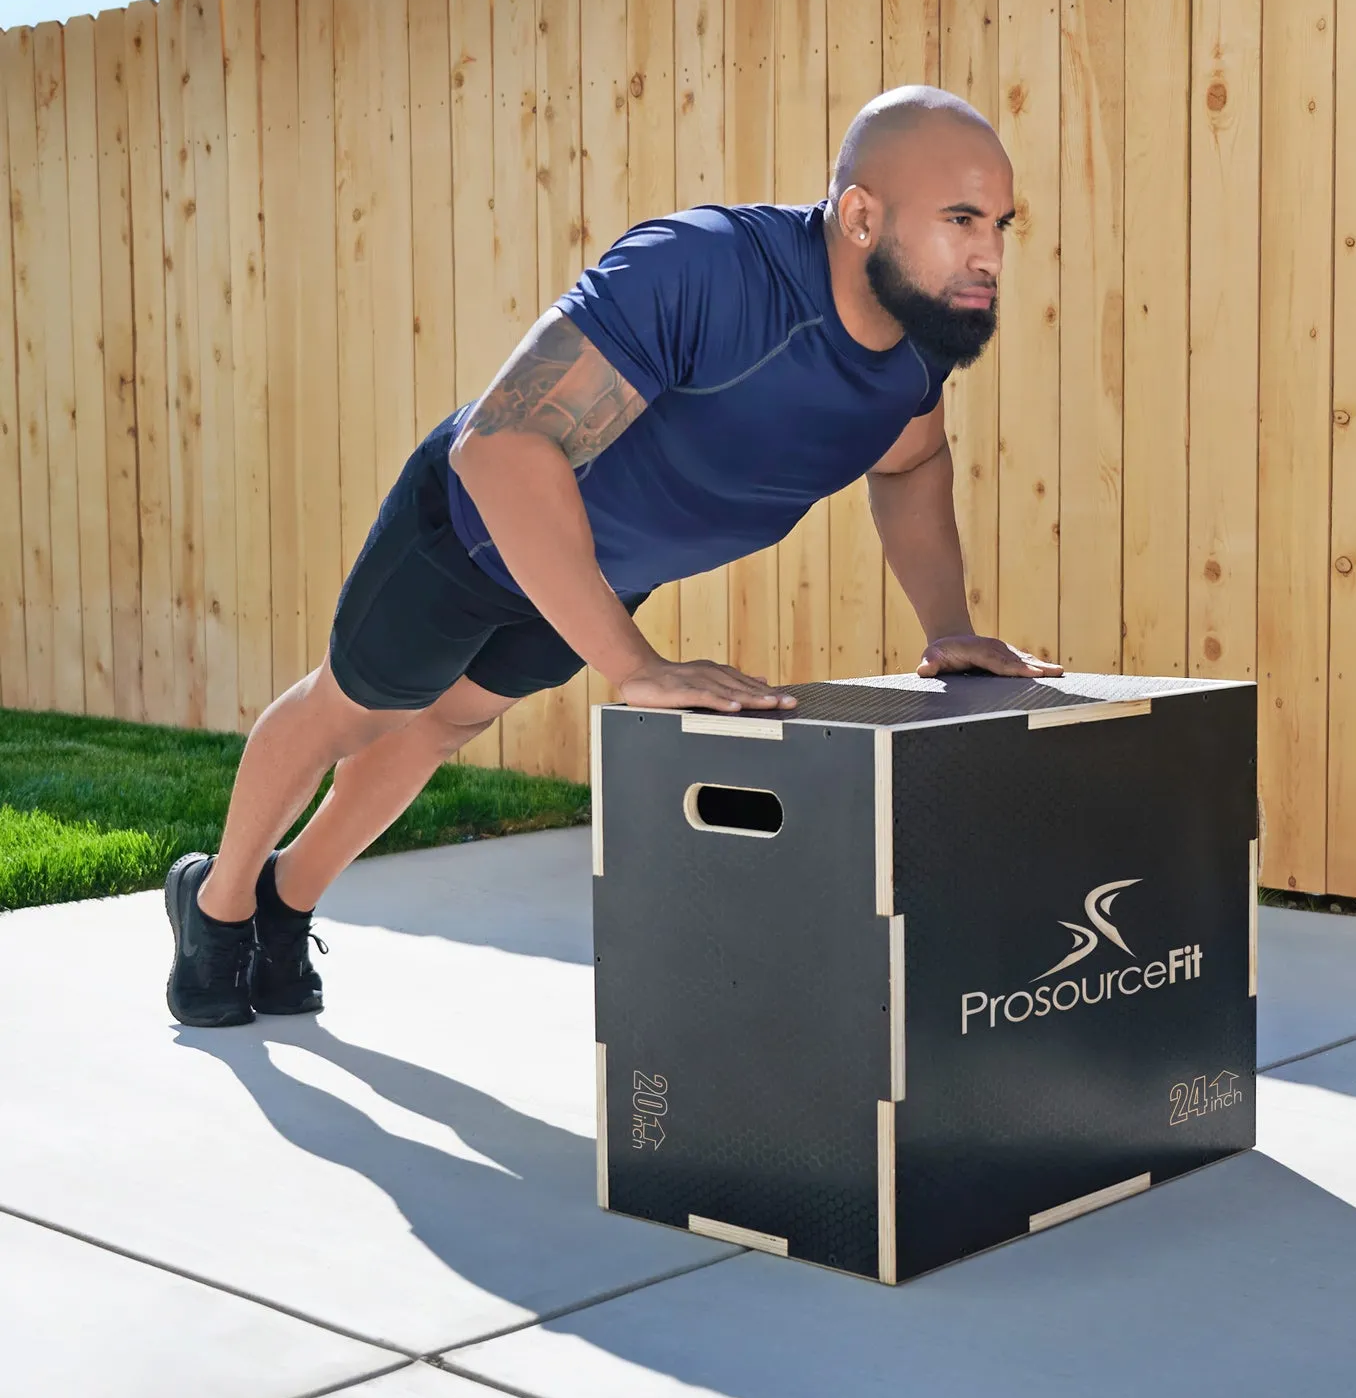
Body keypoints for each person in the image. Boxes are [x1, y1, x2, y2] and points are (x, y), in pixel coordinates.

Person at [164, 84, 1063, 1028]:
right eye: (961, 219)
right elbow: (500, 446)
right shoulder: (706, 271)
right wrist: (633, 665)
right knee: (355, 711)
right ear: (859, 214)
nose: (990, 254)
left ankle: (285, 904)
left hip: (593, 578)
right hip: (468, 530)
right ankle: (218, 909)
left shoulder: (918, 344)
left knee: (441, 728)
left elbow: (911, 460)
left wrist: (948, 628)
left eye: (1001, 223)